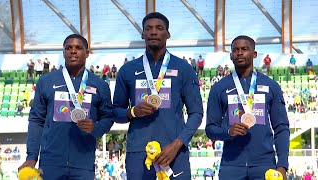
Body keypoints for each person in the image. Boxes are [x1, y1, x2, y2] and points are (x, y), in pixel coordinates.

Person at [112, 12, 203, 180]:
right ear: (142, 34)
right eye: (149, 28)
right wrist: (133, 112)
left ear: (167, 34)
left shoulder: (184, 69)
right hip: (138, 153)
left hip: (175, 152)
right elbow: (115, 111)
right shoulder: (127, 70)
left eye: (159, 28)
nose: (153, 32)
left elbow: (196, 113)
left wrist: (177, 144)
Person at [18, 34, 113, 180]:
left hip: (83, 163)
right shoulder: (47, 81)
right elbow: (36, 120)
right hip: (50, 163)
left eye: (78, 48)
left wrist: (96, 128)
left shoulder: (100, 85)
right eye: (68, 48)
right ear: (63, 53)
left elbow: (108, 117)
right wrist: (32, 156)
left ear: (87, 53)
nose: (73, 51)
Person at [205, 35, 290, 180]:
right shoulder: (219, 88)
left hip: (264, 165)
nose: (239, 53)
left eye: (244, 49)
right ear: (231, 55)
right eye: (235, 50)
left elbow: (281, 127)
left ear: (254, 54)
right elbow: (210, 129)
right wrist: (228, 132)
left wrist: (282, 165)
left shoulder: (271, 86)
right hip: (231, 166)